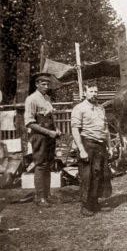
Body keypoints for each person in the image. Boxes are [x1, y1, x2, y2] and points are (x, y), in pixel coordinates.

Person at [71, 84, 113, 216]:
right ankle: (85, 205)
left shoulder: (100, 108)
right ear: (85, 93)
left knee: (100, 174)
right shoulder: (79, 108)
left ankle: (94, 202)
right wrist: (81, 150)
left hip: (100, 145)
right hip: (87, 144)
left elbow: (105, 130)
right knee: (87, 175)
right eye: (91, 91)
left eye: (96, 91)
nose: (94, 94)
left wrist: (110, 146)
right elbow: (75, 130)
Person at [24, 72, 61, 207]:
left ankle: (47, 194)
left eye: (47, 84)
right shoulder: (31, 99)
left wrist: (56, 130)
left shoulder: (47, 98)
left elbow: (51, 118)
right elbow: (29, 123)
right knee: (40, 165)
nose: (46, 86)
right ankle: (40, 197)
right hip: (39, 136)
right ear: (37, 85)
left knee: (49, 164)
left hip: (50, 135)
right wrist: (48, 132)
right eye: (43, 84)